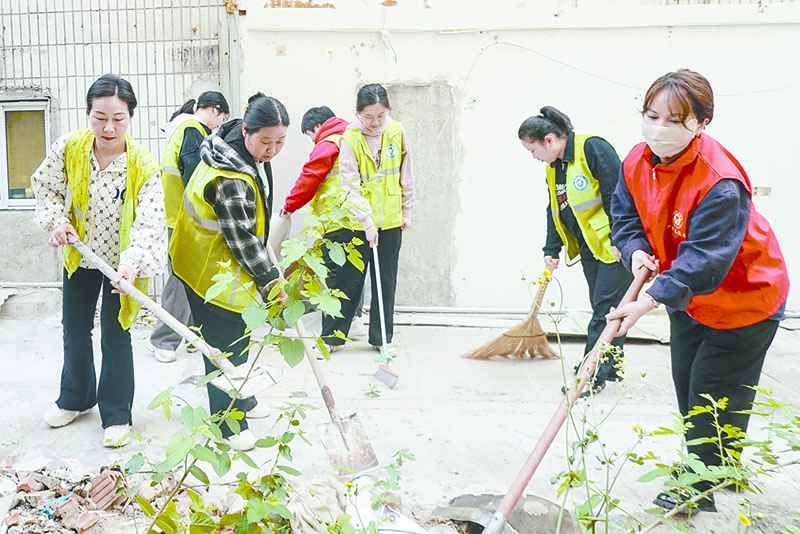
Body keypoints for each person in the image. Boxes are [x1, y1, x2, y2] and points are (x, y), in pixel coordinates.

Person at [607, 68, 790, 513]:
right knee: (689, 385)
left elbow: (705, 259)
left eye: (675, 120)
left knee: (712, 392)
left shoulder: (718, 181)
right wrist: (634, 251)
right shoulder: (636, 160)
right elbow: (624, 215)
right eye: (651, 116)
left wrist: (647, 301)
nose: (659, 129)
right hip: (687, 297)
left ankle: (697, 486)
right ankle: (720, 467)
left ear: (701, 123)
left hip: (744, 296)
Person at [31, 73, 166, 448]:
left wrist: (132, 264)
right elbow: (46, 188)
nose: (108, 128)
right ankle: (76, 398)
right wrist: (57, 222)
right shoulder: (70, 147)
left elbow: (151, 221)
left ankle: (117, 413)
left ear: (131, 117)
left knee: (115, 333)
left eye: (118, 119)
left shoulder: (142, 164)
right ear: (88, 114)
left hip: (122, 267)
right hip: (81, 255)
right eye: (100, 117)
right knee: (74, 329)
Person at [170, 92, 288, 451]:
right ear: (247, 130)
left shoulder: (235, 140)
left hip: (215, 258)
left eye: (280, 141)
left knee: (241, 333)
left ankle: (242, 399)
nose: (272, 149)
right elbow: (243, 242)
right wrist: (272, 282)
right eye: (266, 141)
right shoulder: (230, 177)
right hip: (208, 268)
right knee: (223, 345)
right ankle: (226, 425)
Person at [518, 107, 633, 395]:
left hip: (617, 245)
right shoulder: (554, 167)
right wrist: (552, 247)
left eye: (533, 150)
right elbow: (555, 208)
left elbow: (618, 195)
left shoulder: (593, 149)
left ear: (548, 140)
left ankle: (589, 377)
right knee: (608, 307)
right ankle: (610, 365)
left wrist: (622, 240)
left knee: (605, 309)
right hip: (591, 246)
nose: (533, 157)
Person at [323, 83, 415, 354]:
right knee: (347, 280)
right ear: (358, 113)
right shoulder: (350, 137)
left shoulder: (397, 131)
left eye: (380, 115)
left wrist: (407, 211)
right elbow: (349, 184)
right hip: (356, 222)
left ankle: (382, 338)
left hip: (390, 221)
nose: (375, 122)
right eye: (369, 117)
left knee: (385, 281)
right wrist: (366, 222)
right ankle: (332, 338)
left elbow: (406, 174)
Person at [148, 91, 230, 363]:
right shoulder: (193, 130)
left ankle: (193, 335)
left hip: (178, 217)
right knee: (181, 281)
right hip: (184, 219)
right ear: (215, 110)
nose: (218, 127)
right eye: (222, 119)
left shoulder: (181, 129)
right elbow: (197, 178)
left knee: (194, 279)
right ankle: (163, 340)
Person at [274, 105, 367, 340]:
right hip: (361, 219)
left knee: (336, 275)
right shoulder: (355, 138)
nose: (312, 141)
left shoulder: (329, 142)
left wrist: (289, 205)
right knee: (354, 273)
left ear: (317, 126)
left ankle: (337, 331)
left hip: (337, 219)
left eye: (310, 135)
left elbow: (310, 177)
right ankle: (355, 320)